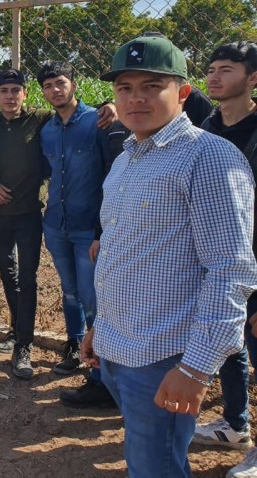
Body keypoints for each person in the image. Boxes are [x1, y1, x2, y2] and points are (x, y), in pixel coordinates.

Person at [83, 33, 257, 477]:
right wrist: (100, 328)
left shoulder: (210, 158)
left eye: (150, 86)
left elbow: (230, 270)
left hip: (165, 357)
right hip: (119, 347)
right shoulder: (127, 158)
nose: (135, 98)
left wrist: (196, 369)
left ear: (182, 93)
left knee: (154, 467)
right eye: (125, 88)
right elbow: (122, 255)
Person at [192, 42, 257, 478]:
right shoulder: (207, 128)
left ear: (253, 79)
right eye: (211, 69)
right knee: (229, 343)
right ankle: (235, 425)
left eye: (227, 69)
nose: (214, 77)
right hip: (215, 263)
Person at [37, 61, 115, 408]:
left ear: (74, 83)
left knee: (93, 299)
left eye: (60, 82)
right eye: (48, 85)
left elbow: (113, 171)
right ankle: (74, 349)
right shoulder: (47, 130)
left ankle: (101, 377)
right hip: (56, 224)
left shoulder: (98, 122)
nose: (55, 90)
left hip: (88, 228)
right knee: (69, 293)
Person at [0, 69, 51, 379]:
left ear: (25, 94)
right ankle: (15, 327)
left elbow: (73, 110)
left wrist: (107, 104)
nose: (10, 96)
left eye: (16, 90)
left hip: (28, 215)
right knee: (7, 273)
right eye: (4, 90)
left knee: (27, 277)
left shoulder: (39, 119)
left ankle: (23, 346)